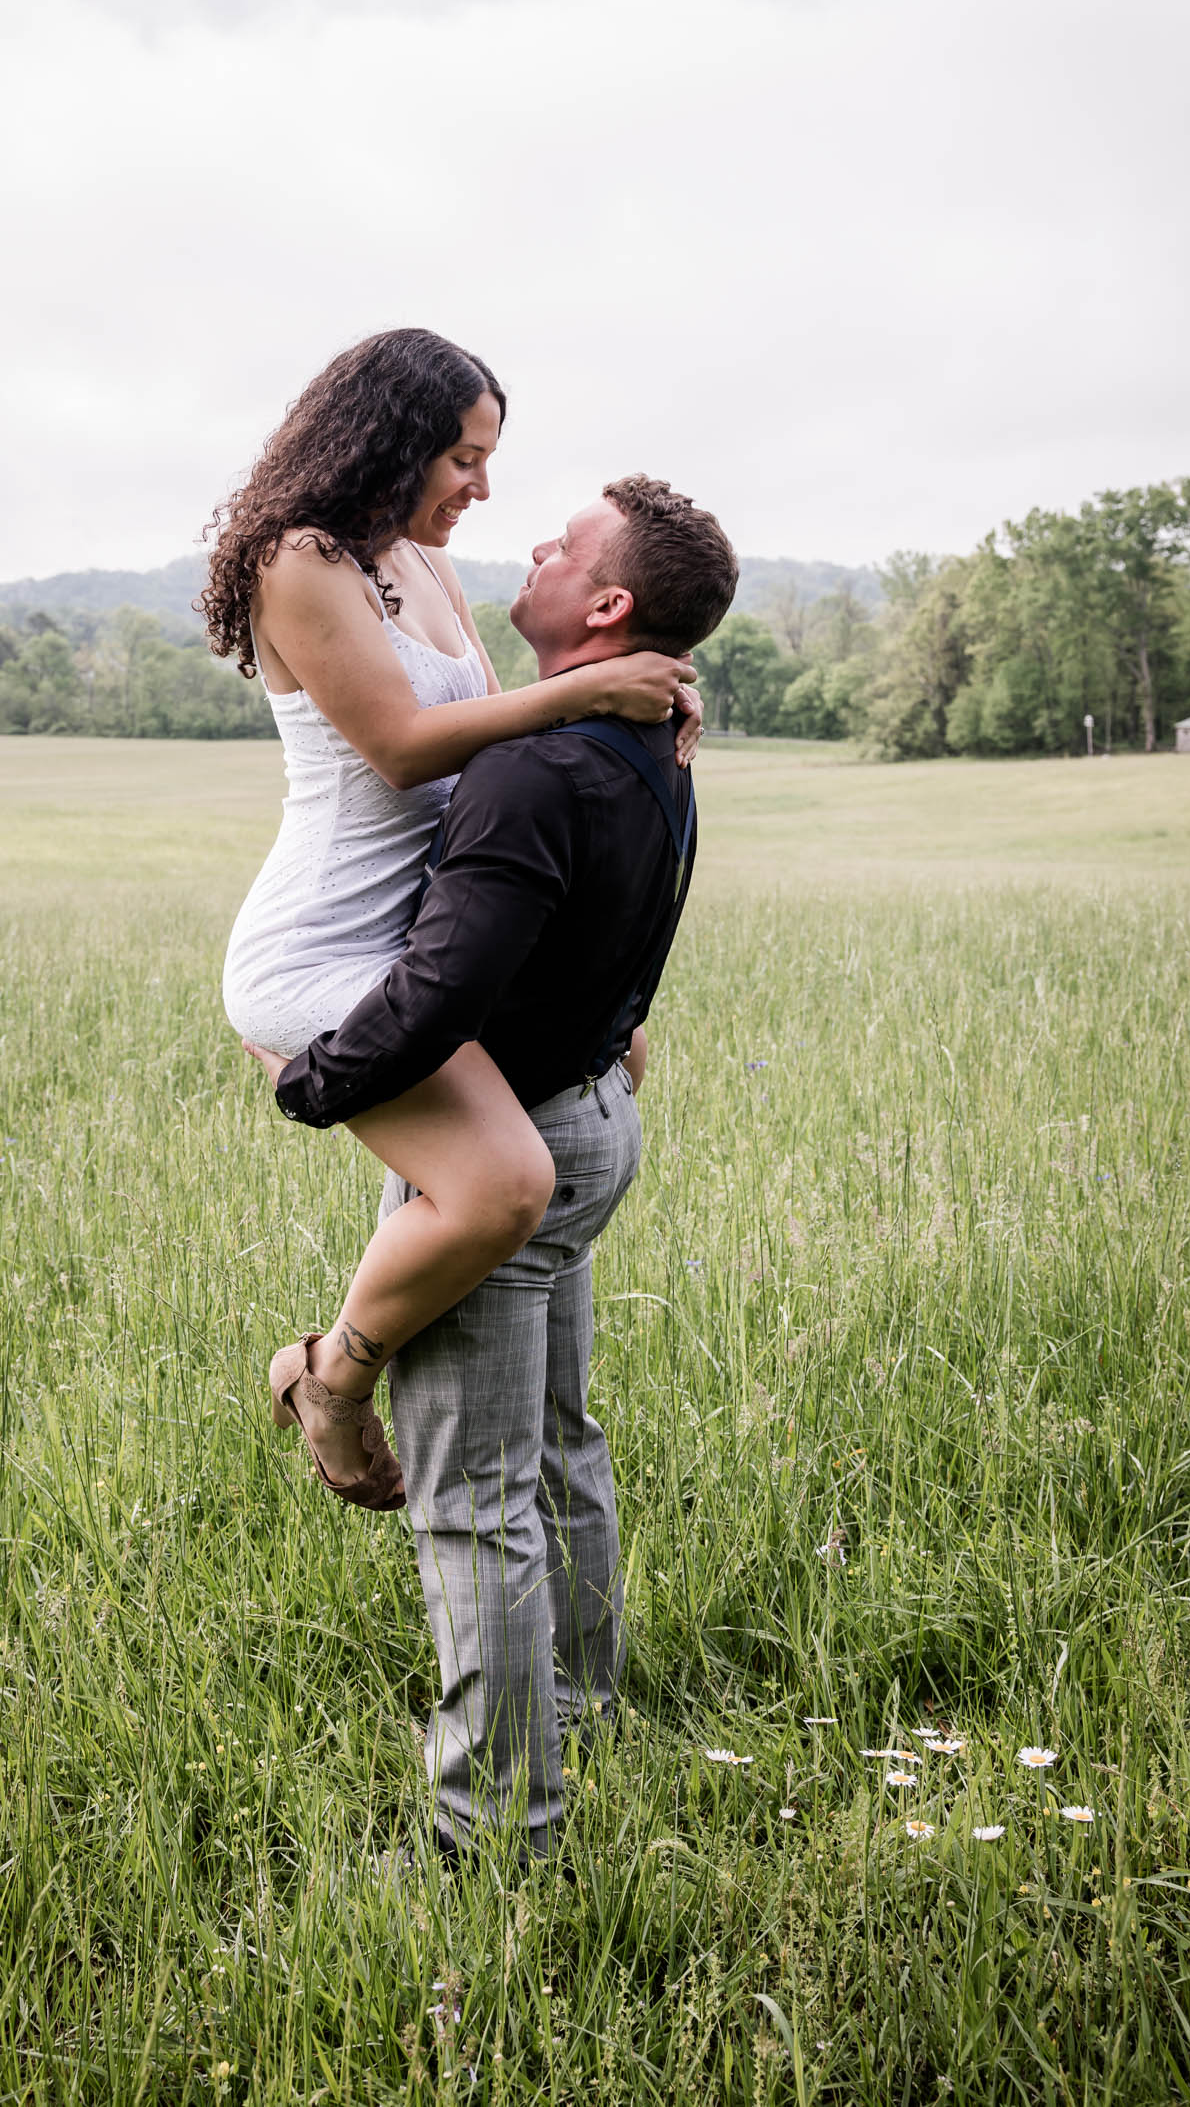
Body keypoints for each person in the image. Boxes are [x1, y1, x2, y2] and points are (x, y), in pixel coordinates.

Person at [251, 473, 738, 1856]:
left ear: (605, 603)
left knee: (473, 1508)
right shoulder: (640, 737)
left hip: (515, 1139)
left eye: (562, 544)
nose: (527, 536)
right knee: (560, 1447)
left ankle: (487, 1836)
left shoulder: (532, 763)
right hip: (587, 1123)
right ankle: (576, 1704)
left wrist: (316, 1080)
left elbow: (446, 980)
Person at [204, 330, 701, 1510]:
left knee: (516, 1175)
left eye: (484, 462)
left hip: (420, 945)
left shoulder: (422, 563)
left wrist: (652, 696)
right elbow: (401, 748)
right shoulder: (300, 561)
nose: (479, 489)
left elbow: (504, 745)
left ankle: (343, 1373)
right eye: (464, 460)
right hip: (321, 947)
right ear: (391, 442)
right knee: (497, 1185)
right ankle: (333, 1377)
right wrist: (590, 684)